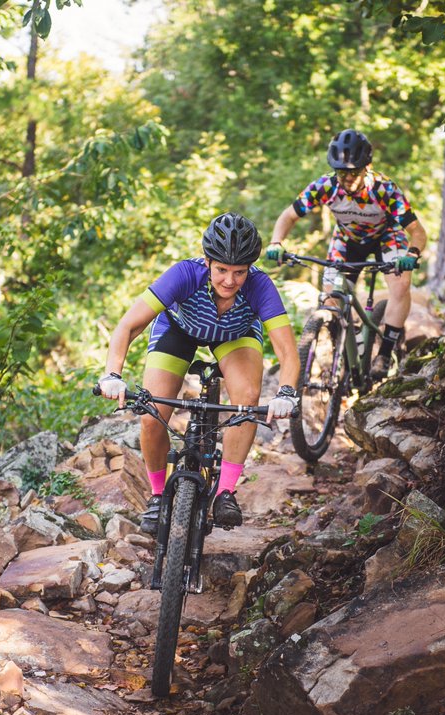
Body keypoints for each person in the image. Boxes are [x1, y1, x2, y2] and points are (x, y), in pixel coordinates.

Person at [98, 212, 301, 534]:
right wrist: (112, 373)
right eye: (221, 270)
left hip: (235, 336)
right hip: (180, 331)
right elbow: (128, 325)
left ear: (250, 269)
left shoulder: (261, 286)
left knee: (246, 401)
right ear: (207, 262)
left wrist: (287, 393)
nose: (230, 281)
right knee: (153, 413)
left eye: (239, 272)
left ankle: (225, 492)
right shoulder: (183, 274)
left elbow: (287, 351)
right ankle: (157, 494)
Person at [266, 128, 427, 381]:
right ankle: (341, 350)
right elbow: (289, 216)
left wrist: (413, 253)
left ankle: (385, 353)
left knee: (400, 284)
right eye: (342, 172)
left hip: (385, 236)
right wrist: (276, 242)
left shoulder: (384, 189)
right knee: (330, 300)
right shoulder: (325, 186)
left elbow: (418, 233)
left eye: (354, 172)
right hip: (347, 239)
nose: (348, 178)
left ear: (367, 167)